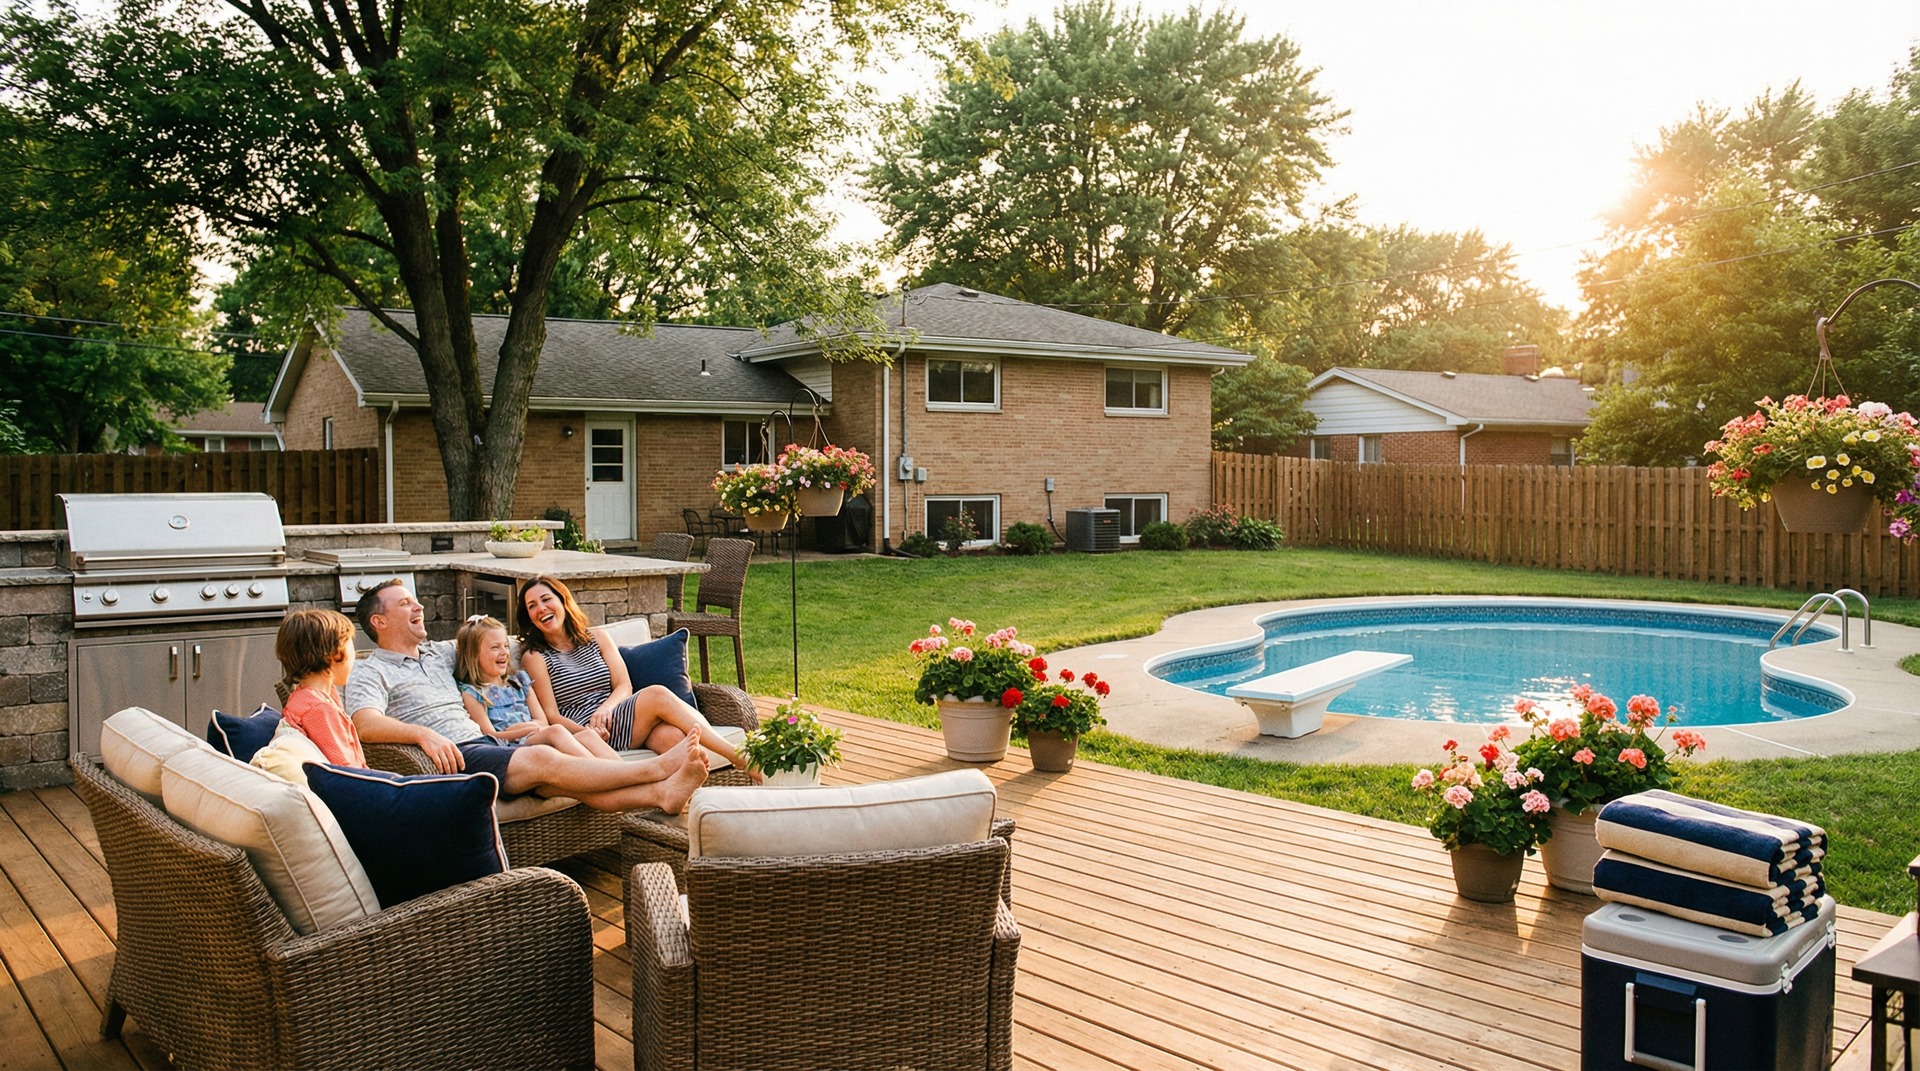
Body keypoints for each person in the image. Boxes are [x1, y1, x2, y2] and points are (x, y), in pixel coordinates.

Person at [345, 579, 708, 813]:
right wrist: (422, 734)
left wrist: (490, 630)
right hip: (461, 753)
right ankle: (656, 769)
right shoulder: (371, 669)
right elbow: (364, 721)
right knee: (545, 756)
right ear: (379, 622)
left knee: (564, 782)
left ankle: (661, 795)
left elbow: (486, 645)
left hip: (491, 745)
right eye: (406, 604)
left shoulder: (439, 653)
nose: (419, 607)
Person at [518, 575, 752, 776]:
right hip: (583, 731)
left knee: (673, 738)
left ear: (563, 600)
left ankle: (690, 807)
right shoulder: (535, 656)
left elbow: (623, 685)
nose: (541, 609)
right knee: (657, 694)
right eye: (532, 606)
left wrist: (606, 709)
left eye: (546, 599)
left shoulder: (596, 637)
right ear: (528, 617)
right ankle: (737, 756)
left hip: (615, 716)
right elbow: (551, 715)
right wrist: (589, 730)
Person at [275, 608, 367, 767]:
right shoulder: (319, 709)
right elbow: (344, 768)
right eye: (352, 647)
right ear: (335, 654)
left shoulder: (311, 695)